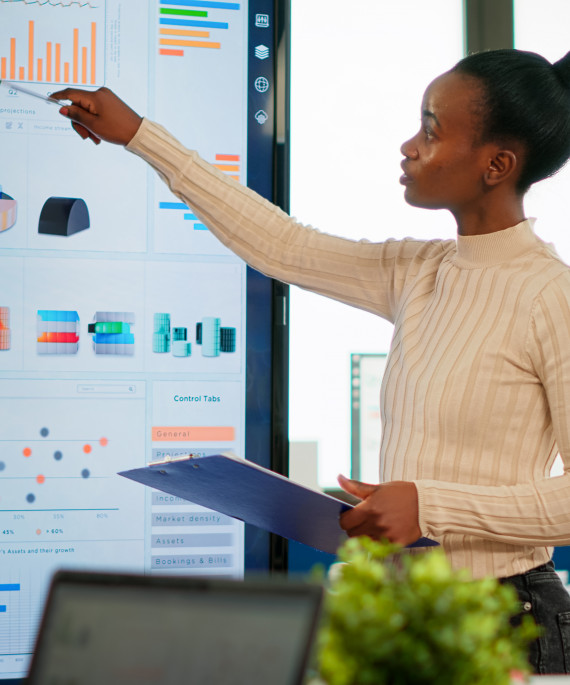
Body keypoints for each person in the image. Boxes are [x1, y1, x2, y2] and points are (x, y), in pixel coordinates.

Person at [53, 48, 570, 673]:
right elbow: (281, 244)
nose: (408, 146)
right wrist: (140, 136)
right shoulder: (421, 270)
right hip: (412, 610)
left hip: (509, 623)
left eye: (431, 129)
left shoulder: (550, 296)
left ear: (498, 164)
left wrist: (430, 507)